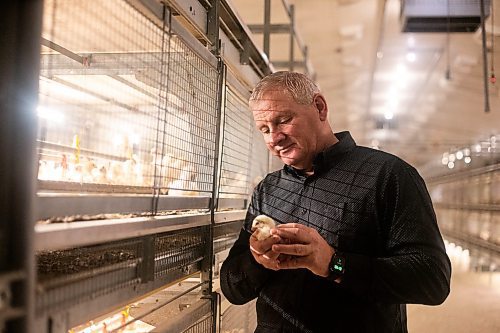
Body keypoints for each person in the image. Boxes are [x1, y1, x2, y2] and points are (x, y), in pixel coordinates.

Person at [220, 71, 451, 333]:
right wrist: (258, 261)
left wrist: (334, 263)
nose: (274, 139)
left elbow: (433, 280)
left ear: (319, 107)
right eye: (264, 129)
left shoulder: (388, 176)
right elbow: (232, 288)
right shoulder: (268, 189)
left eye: (283, 120)